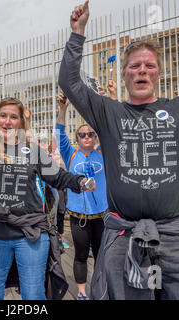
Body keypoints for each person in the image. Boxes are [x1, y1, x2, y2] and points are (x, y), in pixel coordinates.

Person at [60, 1, 179, 300]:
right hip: (124, 237)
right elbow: (70, 82)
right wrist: (77, 32)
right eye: (134, 66)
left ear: (158, 74)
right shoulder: (107, 112)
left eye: (149, 65)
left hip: (177, 237)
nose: (142, 70)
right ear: (125, 75)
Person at [0, 56, 94, 300]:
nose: (7, 121)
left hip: (30, 236)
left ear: (21, 122)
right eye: (3, 116)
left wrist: (80, 182)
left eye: (13, 116)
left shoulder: (32, 151)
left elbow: (58, 176)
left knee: (33, 296)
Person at [55, 90, 108, 300]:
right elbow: (59, 132)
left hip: (101, 217)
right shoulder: (71, 154)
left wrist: (103, 101)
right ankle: (82, 293)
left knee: (102, 257)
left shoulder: (103, 151)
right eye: (82, 134)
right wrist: (63, 108)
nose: (87, 137)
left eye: (90, 134)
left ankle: (101, 289)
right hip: (79, 218)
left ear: (95, 137)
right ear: (76, 138)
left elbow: (109, 128)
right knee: (80, 256)